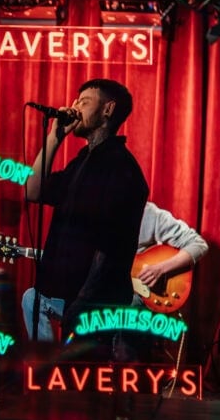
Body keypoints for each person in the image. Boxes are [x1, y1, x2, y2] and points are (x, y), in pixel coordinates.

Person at [22, 78, 149, 350]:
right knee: (32, 300)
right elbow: (33, 190)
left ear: (108, 109)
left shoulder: (120, 168)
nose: (74, 107)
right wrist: (54, 138)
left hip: (95, 302)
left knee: (84, 370)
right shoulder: (82, 161)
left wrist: (83, 301)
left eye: (84, 101)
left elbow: (109, 245)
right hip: (71, 295)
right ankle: (46, 367)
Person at [22, 201, 209, 341]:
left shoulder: (148, 213)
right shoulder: (88, 217)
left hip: (134, 297)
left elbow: (198, 244)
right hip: (93, 296)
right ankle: (47, 367)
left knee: (119, 307)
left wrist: (160, 269)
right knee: (32, 298)